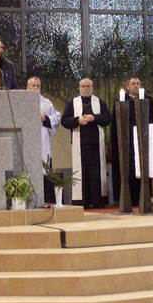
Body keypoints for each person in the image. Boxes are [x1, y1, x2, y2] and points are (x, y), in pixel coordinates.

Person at [61, 78, 111, 208]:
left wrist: (95, 118)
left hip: (96, 145)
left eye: (88, 86)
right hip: (80, 145)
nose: (86, 88)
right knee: (82, 173)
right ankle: (82, 201)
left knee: (95, 174)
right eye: (83, 86)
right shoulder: (72, 103)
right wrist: (77, 120)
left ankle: (97, 201)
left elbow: (107, 118)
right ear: (79, 88)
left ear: (92, 88)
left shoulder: (100, 102)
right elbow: (64, 121)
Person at [110, 76, 153, 207]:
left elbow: (152, 119)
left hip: (143, 138)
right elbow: (115, 123)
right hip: (127, 139)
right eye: (133, 83)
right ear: (128, 86)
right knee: (128, 167)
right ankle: (128, 197)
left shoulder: (148, 100)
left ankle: (145, 196)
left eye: (138, 83)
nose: (136, 85)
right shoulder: (120, 101)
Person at [27, 76, 61, 203]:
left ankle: (47, 200)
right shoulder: (21, 101)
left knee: (45, 169)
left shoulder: (46, 103)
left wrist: (46, 118)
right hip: (27, 140)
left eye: (38, 86)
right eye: (33, 86)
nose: (36, 88)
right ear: (28, 87)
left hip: (43, 143)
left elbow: (57, 117)